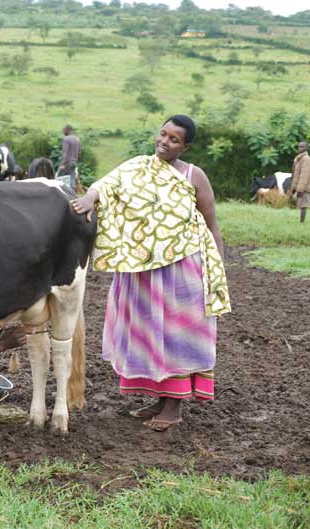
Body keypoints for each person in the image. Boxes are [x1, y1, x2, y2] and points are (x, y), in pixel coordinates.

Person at [70, 114, 231, 432]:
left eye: (174, 139)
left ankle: (174, 407)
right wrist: (91, 196)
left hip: (182, 269)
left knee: (176, 334)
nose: (164, 142)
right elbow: (108, 184)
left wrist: (218, 273)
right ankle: (160, 399)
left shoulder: (193, 176)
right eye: (162, 134)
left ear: (185, 147)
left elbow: (211, 224)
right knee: (148, 333)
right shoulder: (137, 166)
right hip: (142, 268)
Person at [290, 140, 309, 223]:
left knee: (303, 205)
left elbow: (304, 175)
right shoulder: (298, 158)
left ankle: (302, 222)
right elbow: (296, 174)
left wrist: (300, 189)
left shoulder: (306, 159)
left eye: (302, 147)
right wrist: (294, 187)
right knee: (301, 204)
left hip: (305, 185)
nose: (300, 148)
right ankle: (301, 221)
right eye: (299, 146)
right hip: (299, 185)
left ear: (306, 148)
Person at [58, 125, 81, 190]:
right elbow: (79, 152)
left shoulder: (66, 139)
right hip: (74, 162)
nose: (63, 132)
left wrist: (62, 164)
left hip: (67, 162)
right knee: (72, 179)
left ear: (67, 130)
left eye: (64, 130)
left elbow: (65, 153)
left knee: (61, 178)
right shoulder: (77, 139)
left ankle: (63, 194)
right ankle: (72, 194)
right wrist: (76, 160)